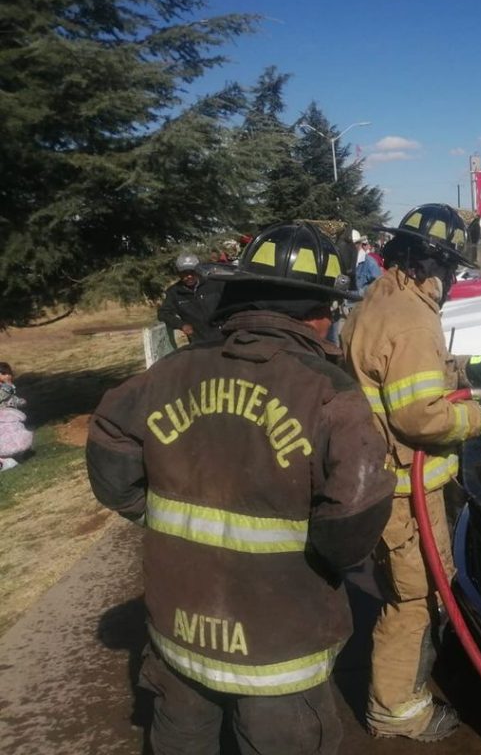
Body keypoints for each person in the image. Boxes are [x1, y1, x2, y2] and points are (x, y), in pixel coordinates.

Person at [87, 221, 396, 755]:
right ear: (319, 313)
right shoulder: (329, 392)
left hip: (179, 635)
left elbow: (110, 452)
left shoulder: (169, 373)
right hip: (278, 649)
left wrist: (155, 514)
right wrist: (317, 558)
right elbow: (352, 520)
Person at [341, 203, 481, 741]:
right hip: (403, 493)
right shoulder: (414, 318)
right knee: (416, 599)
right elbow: (420, 414)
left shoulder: (381, 298)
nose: (455, 279)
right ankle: (396, 709)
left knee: (409, 591)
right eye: (454, 269)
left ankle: (403, 690)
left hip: (376, 480)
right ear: (432, 263)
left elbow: (406, 375)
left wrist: (470, 369)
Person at [157, 252, 225, 345]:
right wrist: (181, 325)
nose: (189, 276)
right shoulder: (174, 292)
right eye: (184, 273)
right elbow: (163, 313)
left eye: (192, 272)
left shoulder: (214, 284)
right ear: (179, 274)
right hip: (199, 343)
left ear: (198, 271)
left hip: (225, 337)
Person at [0, 362, 32, 471]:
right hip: (2, 419)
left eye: (9, 374)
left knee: (15, 435)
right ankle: (4, 460)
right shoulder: (5, 388)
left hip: (11, 417)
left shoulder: (7, 387)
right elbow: (3, 396)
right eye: (3, 373)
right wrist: (8, 386)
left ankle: (16, 456)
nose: (7, 376)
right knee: (5, 438)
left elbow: (11, 399)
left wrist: (20, 402)